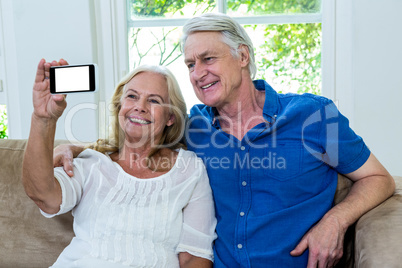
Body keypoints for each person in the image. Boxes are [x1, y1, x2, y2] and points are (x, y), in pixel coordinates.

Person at [55, 13, 396, 268]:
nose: (197, 72)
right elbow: (138, 139)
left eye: (208, 58)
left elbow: (378, 179)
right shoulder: (194, 126)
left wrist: (335, 220)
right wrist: (76, 148)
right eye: (190, 64)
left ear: (243, 57)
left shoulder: (313, 115)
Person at [22, 59, 217, 268]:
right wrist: (43, 118)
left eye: (154, 101)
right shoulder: (92, 162)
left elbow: (195, 257)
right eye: (132, 96)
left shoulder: (190, 170)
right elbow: (44, 196)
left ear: (170, 117)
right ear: (120, 105)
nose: (140, 107)